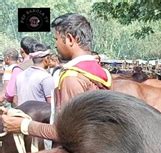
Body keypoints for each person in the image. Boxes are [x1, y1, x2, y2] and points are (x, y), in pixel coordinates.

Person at [1, 13, 111, 142]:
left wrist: (23, 125)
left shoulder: (72, 78)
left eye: (56, 39)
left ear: (70, 39)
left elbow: (67, 134)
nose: (55, 45)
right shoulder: (101, 73)